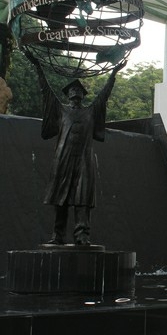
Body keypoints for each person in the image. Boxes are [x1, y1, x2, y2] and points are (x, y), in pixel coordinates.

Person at [33, 59, 123, 245]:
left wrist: (114, 74)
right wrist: (38, 67)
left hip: (83, 160)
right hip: (63, 158)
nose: (76, 92)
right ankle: (58, 235)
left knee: (83, 197)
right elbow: (46, 91)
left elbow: (104, 95)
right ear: (67, 95)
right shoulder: (61, 111)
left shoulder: (91, 112)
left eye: (79, 90)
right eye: (72, 90)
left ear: (83, 95)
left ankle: (82, 235)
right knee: (60, 197)